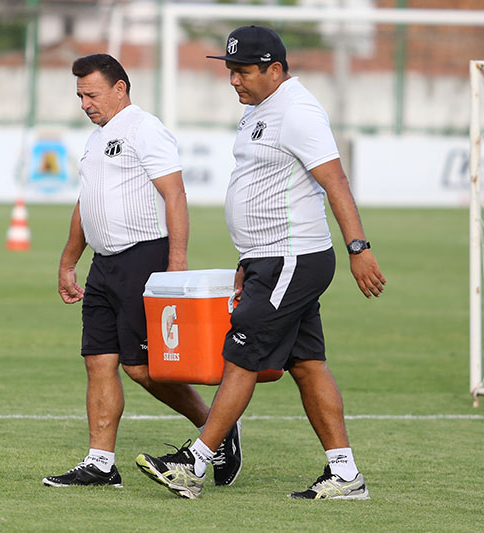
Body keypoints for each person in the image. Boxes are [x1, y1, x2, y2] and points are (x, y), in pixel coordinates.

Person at [135, 26, 385, 500]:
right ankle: (345, 474)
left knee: (241, 353)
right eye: (230, 70)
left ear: (275, 69)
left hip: (293, 257)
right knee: (308, 364)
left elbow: (335, 182)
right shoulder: (259, 110)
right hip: (268, 260)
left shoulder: (298, 112)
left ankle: (195, 463)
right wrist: (246, 260)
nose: (234, 80)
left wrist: (359, 248)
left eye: (243, 71)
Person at [43, 53, 242, 489]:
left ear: (120, 88)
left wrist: (176, 264)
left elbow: (174, 195)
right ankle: (99, 464)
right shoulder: (96, 139)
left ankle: (217, 428)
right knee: (97, 361)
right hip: (103, 265)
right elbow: (86, 204)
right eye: (79, 95)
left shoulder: (144, 128)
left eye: (91, 94)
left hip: (142, 259)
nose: (84, 104)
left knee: (140, 368)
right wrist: (68, 261)